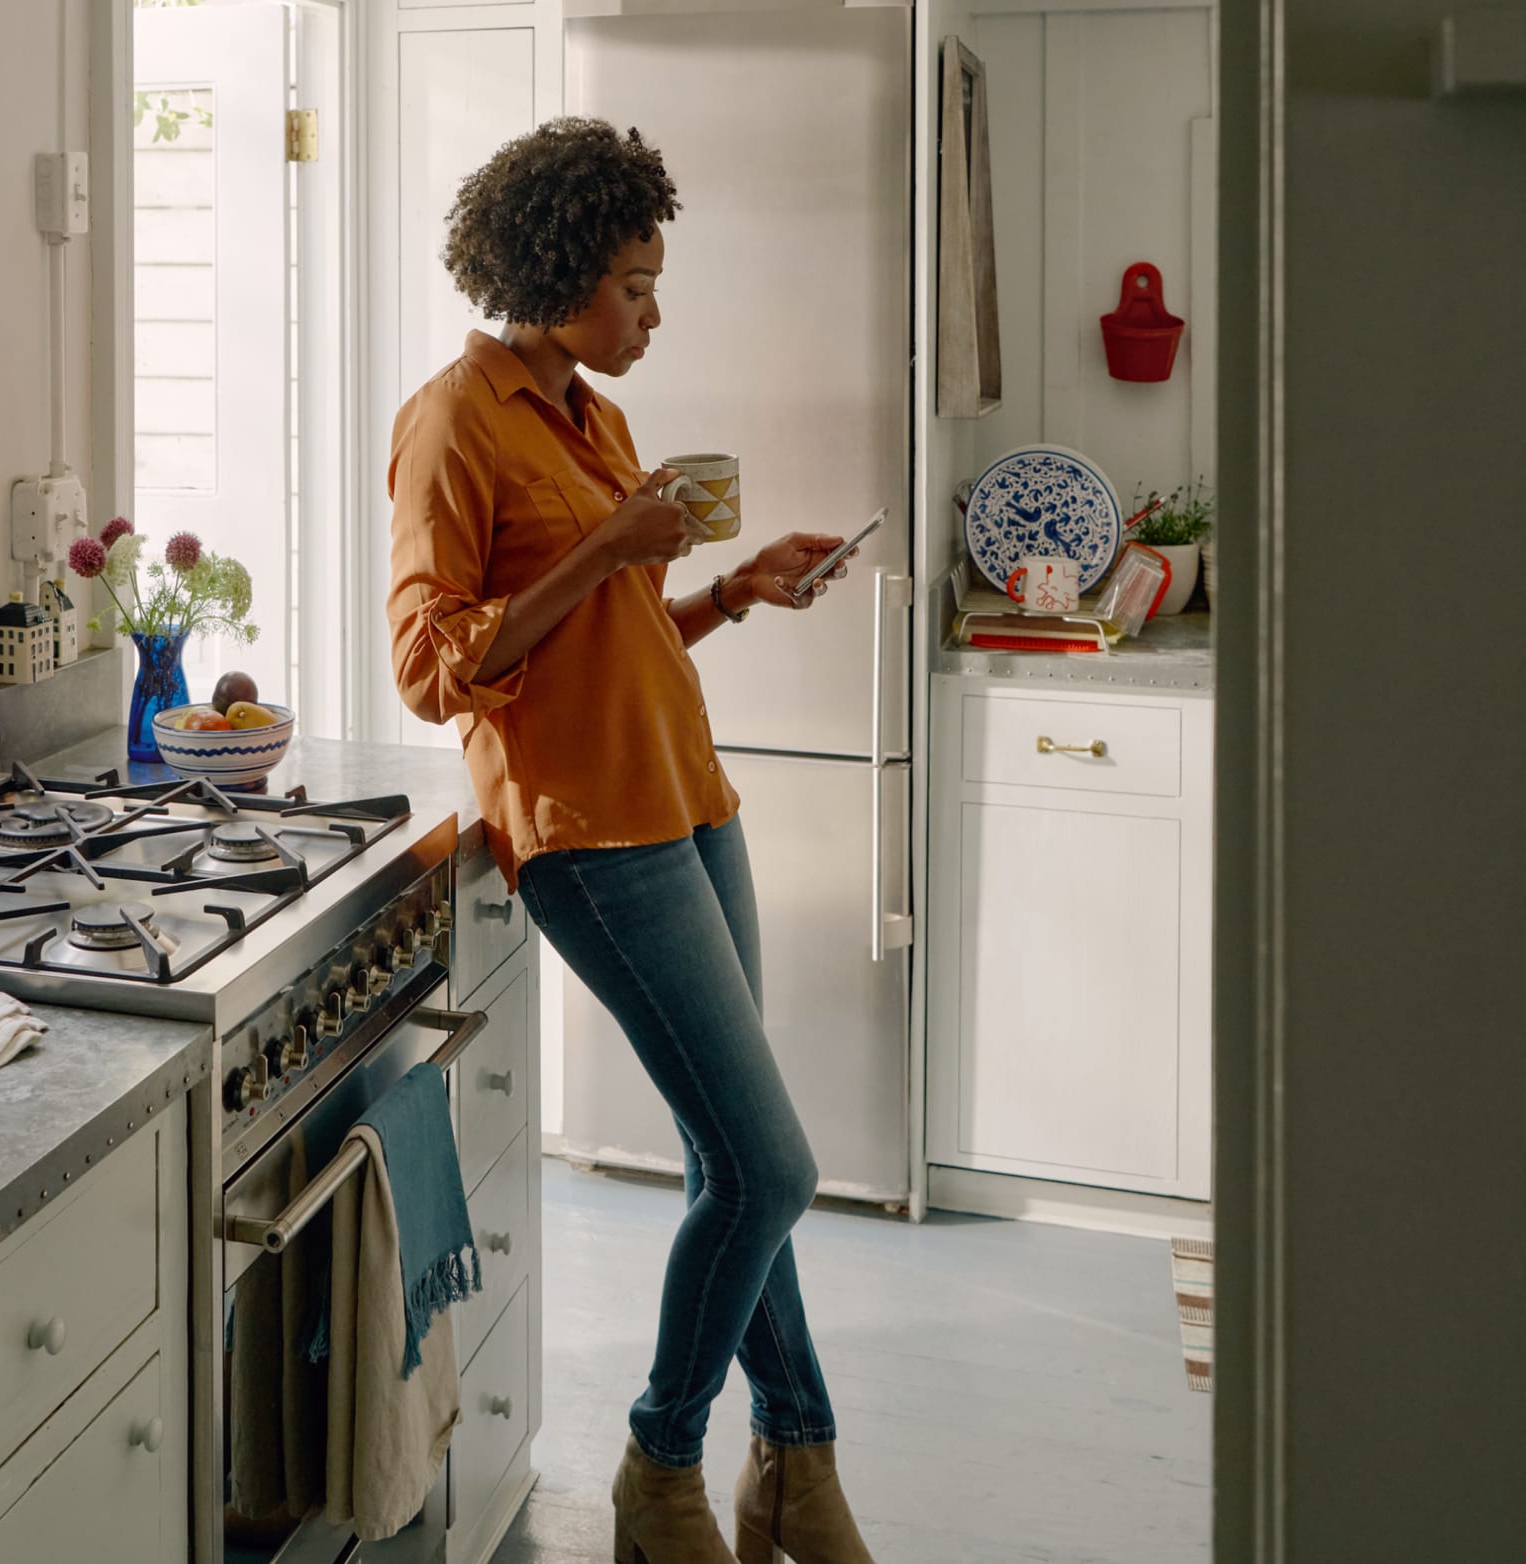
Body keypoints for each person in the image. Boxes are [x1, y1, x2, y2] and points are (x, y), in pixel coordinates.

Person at [385, 118, 877, 1564]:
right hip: (590, 835)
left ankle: (796, 1461)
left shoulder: (594, 418)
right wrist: (610, 547)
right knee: (771, 1171)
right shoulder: (452, 423)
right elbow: (429, 668)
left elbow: (610, 641)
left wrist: (728, 592)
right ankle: (662, 1466)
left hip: (691, 802)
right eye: (634, 287)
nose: (653, 313)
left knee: (735, 1161)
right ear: (552, 272)